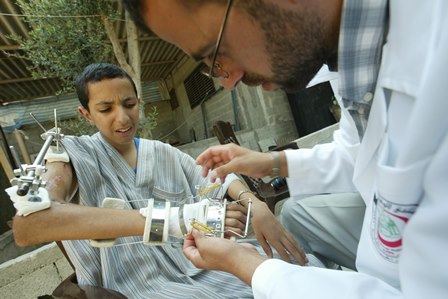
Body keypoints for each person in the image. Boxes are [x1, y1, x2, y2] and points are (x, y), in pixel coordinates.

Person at [120, 0, 448, 298]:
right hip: (389, 242)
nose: (228, 81)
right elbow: (360, 152)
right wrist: (270, 162)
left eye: (216, 54)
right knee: (294, 212)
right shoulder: (353, 55)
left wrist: (251, 265)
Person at [10, 63, 308, 298]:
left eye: (129, 104)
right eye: (106, 109)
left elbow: (215, 178)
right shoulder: (74, 155)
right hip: (134, 286)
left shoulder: (163, 153)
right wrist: (178, 219)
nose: (123, 118)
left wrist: (254, 204)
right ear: (85, 114)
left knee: (288, 278)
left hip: (197, 265)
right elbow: (29, 225)